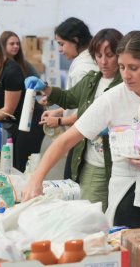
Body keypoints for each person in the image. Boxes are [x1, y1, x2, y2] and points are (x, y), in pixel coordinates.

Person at [21, 31, 140, 229]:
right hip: (130, 192)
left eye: (134, 68)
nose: (126, 75)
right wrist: (36, 180)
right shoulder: (112, 98)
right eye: (122, 67)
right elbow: (66, 140)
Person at [26, 28, 123, 212]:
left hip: (109, 161)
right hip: (87, 158)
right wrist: (45, 88)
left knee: (95, 214)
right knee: (89, 210)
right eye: (99, 55)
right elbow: (69, 97)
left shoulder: (123, 85)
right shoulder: (92, 79)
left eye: (109, 55)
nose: (103, 61)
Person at [0, 35, 45, 172]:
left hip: (30, 122)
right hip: (16, 123)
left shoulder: (11, 71)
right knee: (12, 166)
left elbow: (7, 110)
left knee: (23, 167)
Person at [42, 17, 98, 180]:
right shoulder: (83, 62)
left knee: (73, 181)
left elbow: (88, 111)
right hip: (79, 131)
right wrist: (59, 112)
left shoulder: (84, 68)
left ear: (75, 40)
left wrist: (60, 121)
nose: (59, 49)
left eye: (61, 44)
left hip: (81, 135)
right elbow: (76, 99)